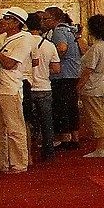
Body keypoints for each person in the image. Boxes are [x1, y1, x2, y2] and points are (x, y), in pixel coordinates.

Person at [0, 8, 38, 174]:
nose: (3, 22)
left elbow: (10, 64)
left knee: (15, 128)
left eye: (8, 19)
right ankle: (0, 163)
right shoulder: (0, 38)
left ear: (17, 22)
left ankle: (19, 164)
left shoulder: (25, 39)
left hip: (11, 87)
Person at [20, 10, 60, 161]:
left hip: (26, 87)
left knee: (26, 121)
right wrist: (43, 70)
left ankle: (27, 153)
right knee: (47, 122)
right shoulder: (49, 45)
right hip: (44, 87)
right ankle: (48, 152)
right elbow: (56, 69)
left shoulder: (22, 43)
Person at [44, 8, 84, 149]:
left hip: (62, 75)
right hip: (73, 73)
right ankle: (75, 137)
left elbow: (61, 48)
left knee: (62, 107)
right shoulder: (71, 30)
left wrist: (52, 59)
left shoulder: (58, 31)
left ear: (55, 19)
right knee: (72, 107)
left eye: (46, 19)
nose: (44, 22)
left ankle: (65, 139)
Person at [81, 14, 104, 157]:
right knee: (102, 117)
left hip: (93, 87)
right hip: (103, 85)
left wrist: (79, 86)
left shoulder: (97, 47)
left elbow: (88, 70)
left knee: (97, 119)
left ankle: (100, 148)